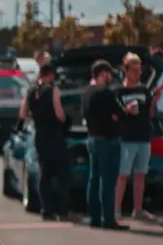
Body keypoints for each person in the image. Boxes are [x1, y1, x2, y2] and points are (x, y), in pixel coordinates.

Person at [19, 61, 70, 221]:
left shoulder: (31, 91)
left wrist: (36, 117)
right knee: (62, 174)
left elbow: (23, 114)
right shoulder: (53, 89)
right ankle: (62, 210)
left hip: (40, 136)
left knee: (45, 174)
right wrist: (64, 120)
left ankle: (47, 210)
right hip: (55, 135)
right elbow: (59, 113)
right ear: (51, 75)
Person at [82, 61, 128, 231]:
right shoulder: (105, 94)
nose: (111, 78)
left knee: (94, 179)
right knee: (108, 181)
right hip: (108, 140)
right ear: (102, 74)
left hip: (93, 139)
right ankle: (108, 218)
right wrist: (119, 115)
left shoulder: (86, 93)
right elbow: (121, 114)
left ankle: (94, 217)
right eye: (109, 74)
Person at [114, 52, 156, 222]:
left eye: (139, 70)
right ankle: (116, 209)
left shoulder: (144, 90)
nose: (137, 74)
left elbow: (150, 113)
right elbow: (114, 115)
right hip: (126, 138)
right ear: (125, 70)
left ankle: (137, 209)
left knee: (140, 174)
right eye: (134, 70)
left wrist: (155, 99)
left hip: (143, 137)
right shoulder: (118, 91)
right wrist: (126, 111)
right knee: (122, 175)